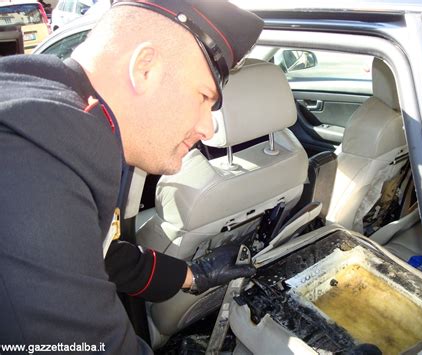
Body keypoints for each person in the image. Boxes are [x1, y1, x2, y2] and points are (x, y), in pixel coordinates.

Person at [0, 0, 263, 353]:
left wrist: (194, 275)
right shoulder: (33, 165)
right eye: (203, 96)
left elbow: (96, 253)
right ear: (144, 69)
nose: (208, 127)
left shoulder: (68, 123)